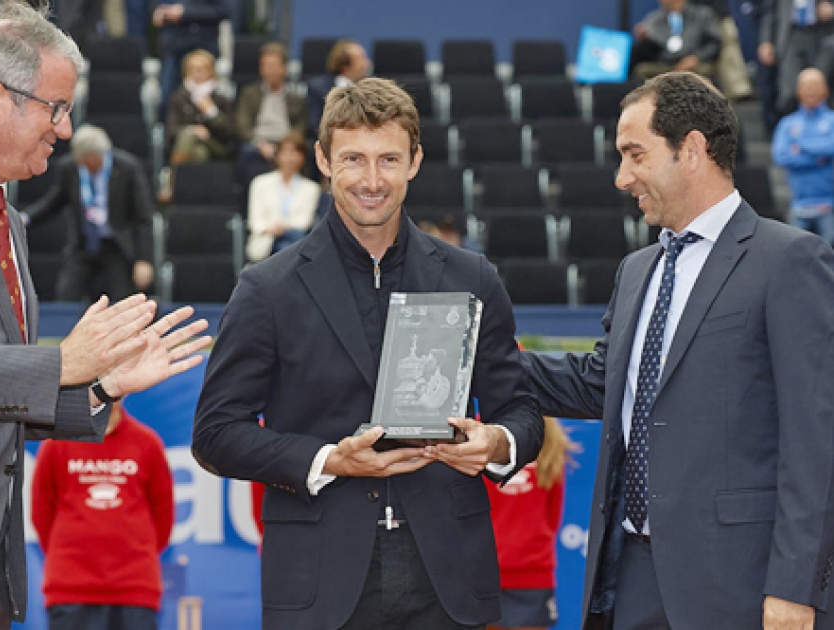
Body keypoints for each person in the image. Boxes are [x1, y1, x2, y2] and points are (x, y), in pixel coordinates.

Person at [0, 3, 211, 627]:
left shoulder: (10, 218)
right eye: (56, 107)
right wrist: (59, 361)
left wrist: (100, 388)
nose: (65, 128)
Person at [193, 77, 544, 630]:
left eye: (389, 159)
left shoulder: (472, 278)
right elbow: (215, 434)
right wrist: (330, 460)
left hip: (448, 578)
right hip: (318, 583)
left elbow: (521, 413)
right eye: (354, 158)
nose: (373, 180)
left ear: (416, 161)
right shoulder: (268, 288)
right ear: (323, 159)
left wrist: (495, 443)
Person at [519, 71, 834, 629]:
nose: (622, 177)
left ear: (692, 149)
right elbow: (600, 385)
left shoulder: (790, 259)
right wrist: (477, 360)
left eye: (635, 154)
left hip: (743, 587)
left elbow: (816, 440)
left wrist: (795, 587)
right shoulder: (636, 270)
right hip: (630, 579)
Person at [32, 401, 175, 630]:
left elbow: (163, 515)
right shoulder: (56, 444)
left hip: (134, 589)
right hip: (71, 589)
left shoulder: (147, 442)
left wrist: (133, 551)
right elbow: (41, 512)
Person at [24, 124, 156, 302]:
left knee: (123, 300)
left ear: (96, 155)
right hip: (83, 245)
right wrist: (25, 218)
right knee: (65, 296)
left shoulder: (127, 168)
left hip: (116, 246)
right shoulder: (69, 168)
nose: (82, 163)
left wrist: (144, 259)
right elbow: (53, 203)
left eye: (86, 159)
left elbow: (143, 218)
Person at [486, 416, 574, 630]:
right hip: (485, 575)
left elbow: (552, 515)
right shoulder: (479, 432)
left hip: (530, 577)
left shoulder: (550, 441)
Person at [772, 67, 834, 245]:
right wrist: (820, 158)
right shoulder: (787, 124)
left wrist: (801, 145)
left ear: (826, 90)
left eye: (815, 85)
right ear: (798, 90)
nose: (811, 90)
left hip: (829, 205)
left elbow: (831, 147)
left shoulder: (831, 121)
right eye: (806, 86)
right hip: (799, 205)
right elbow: (781, 156)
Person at [235, 41, 307, 188]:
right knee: (246, 152)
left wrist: (285, 146)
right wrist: (260, 143)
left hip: (286, 142)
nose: (268, 71)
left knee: (304, 152)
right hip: (256, 143)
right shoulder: (249, 93)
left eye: (273, 66)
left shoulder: (296, 98)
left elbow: (300, 127)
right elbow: (242, 125)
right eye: (264, 66)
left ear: (284, 68)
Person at [245, 132, 321, 262]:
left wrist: (283, 228)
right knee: (288, 248)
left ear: (303, 157)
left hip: (294, 239)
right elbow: (255, 222)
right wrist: (273, 228)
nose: (290, 158)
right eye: (286, 152)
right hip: (266, 240)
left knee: (290, 243)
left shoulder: (311, 188)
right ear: (277, 155)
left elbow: (303, 222)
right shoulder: (260, 183)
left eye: (295, 153)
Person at [152, 0, 229, 122]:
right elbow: (159, 7)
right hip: (175, 47)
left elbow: (223, 10)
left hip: (203, 46)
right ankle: (167, 136)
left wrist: (185, 12)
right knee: (167, 99)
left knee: (207, 99)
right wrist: (161, 13)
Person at [759, 0, 834, 114]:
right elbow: (770, 10)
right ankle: (793, 129)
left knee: (820, 88)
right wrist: (766, 40)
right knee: (789, 94)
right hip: (791, 35)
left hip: (825, 36)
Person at [165, 48, 234, 166]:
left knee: (190, 139)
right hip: (188, 145)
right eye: (193, 69)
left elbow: (229, 132)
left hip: (214, 145)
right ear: (186, 73)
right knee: (199, 152)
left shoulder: (220, 99)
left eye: (202, 69)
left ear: (211, 72)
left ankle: (173, 179)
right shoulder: (179, 98)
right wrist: (194, 130)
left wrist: (211, 112)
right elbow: (171, 131)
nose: (197, 73)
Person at [631, 0, 722, 80]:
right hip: (665, 63)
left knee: (704, 71)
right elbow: (649, 50)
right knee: (642, 70)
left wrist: (697, 57)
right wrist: (646, 39)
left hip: (695, 62)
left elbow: (714, 43)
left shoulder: (703, 14)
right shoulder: (654, 19)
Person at [306, 39, 370, 139]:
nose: (367, 64)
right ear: (346, 64)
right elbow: (314, 125)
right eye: (361, 58)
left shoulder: (371, 90)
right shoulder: (318, 88)